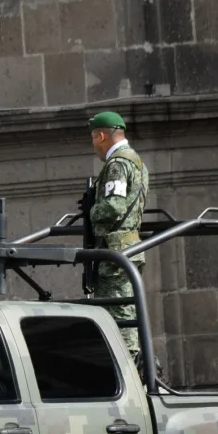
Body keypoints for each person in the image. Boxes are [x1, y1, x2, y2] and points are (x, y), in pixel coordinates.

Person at [86, 111, 150, 359]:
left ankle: (132, 370)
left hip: (116, 252)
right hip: (125, 249)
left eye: (93, 138)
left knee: (120, 318)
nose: (94, 147)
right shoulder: (136, 161)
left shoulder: (117, 164)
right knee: (124, 315)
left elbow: (114, 206)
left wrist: (91, 211)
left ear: (101, 135)